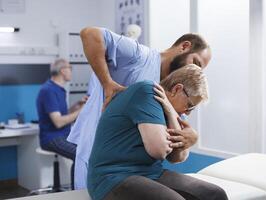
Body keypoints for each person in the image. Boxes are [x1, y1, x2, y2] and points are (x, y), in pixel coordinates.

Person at [67, 26, 212, 189]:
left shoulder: (175, 93)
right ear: (184, 46)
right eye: (195, 62)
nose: (194, 70)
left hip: (132, 171)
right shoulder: (139, 56)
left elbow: (174, 155)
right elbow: (90, 34)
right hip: (98, 155)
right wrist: (107, 83)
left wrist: (190, 139)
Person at [88, 64, 227, 200]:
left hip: (151, 173)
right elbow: (158, 150)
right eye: (189, 106)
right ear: (177, 89)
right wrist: (174, 118)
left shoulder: (171, 110)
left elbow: (177, 158)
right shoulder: (147, 91)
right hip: (112, 177)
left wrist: (172, 113)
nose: (188, 113)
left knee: (215, 194)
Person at [36, 58, 87, 189]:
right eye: (70, 68)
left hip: (62, 135)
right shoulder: (48, 90)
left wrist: (77, 105)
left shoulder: (58, 89)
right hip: (51, 138)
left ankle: (79, 188)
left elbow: (62, 114)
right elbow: (58, 122)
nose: (71, 72)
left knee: (86, 150)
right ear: (63, 71)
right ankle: (75, 192)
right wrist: (81, 111)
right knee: (80, 155)